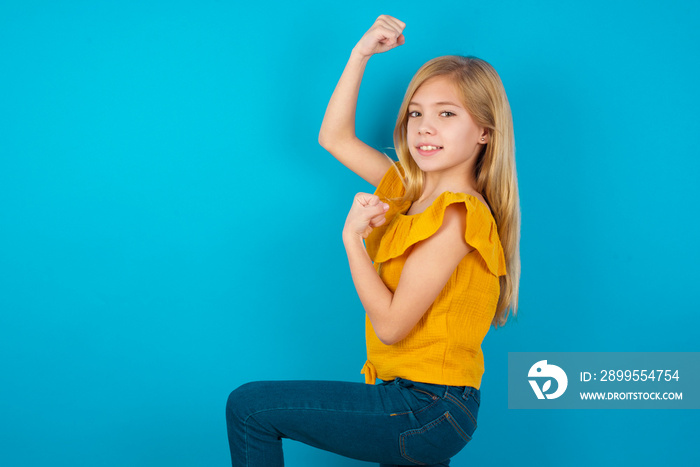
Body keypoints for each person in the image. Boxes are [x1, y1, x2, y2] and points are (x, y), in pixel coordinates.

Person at [226, 14, 520, 467]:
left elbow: (391, 325)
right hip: (424, 406)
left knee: (251, 407)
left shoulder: (459, 213)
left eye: (447, 114)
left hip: (426, 406)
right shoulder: (408, 193)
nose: (424, 127)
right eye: (416, 113)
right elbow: (335, 138)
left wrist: (353, 242)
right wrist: (360, 55)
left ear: (484, 131)